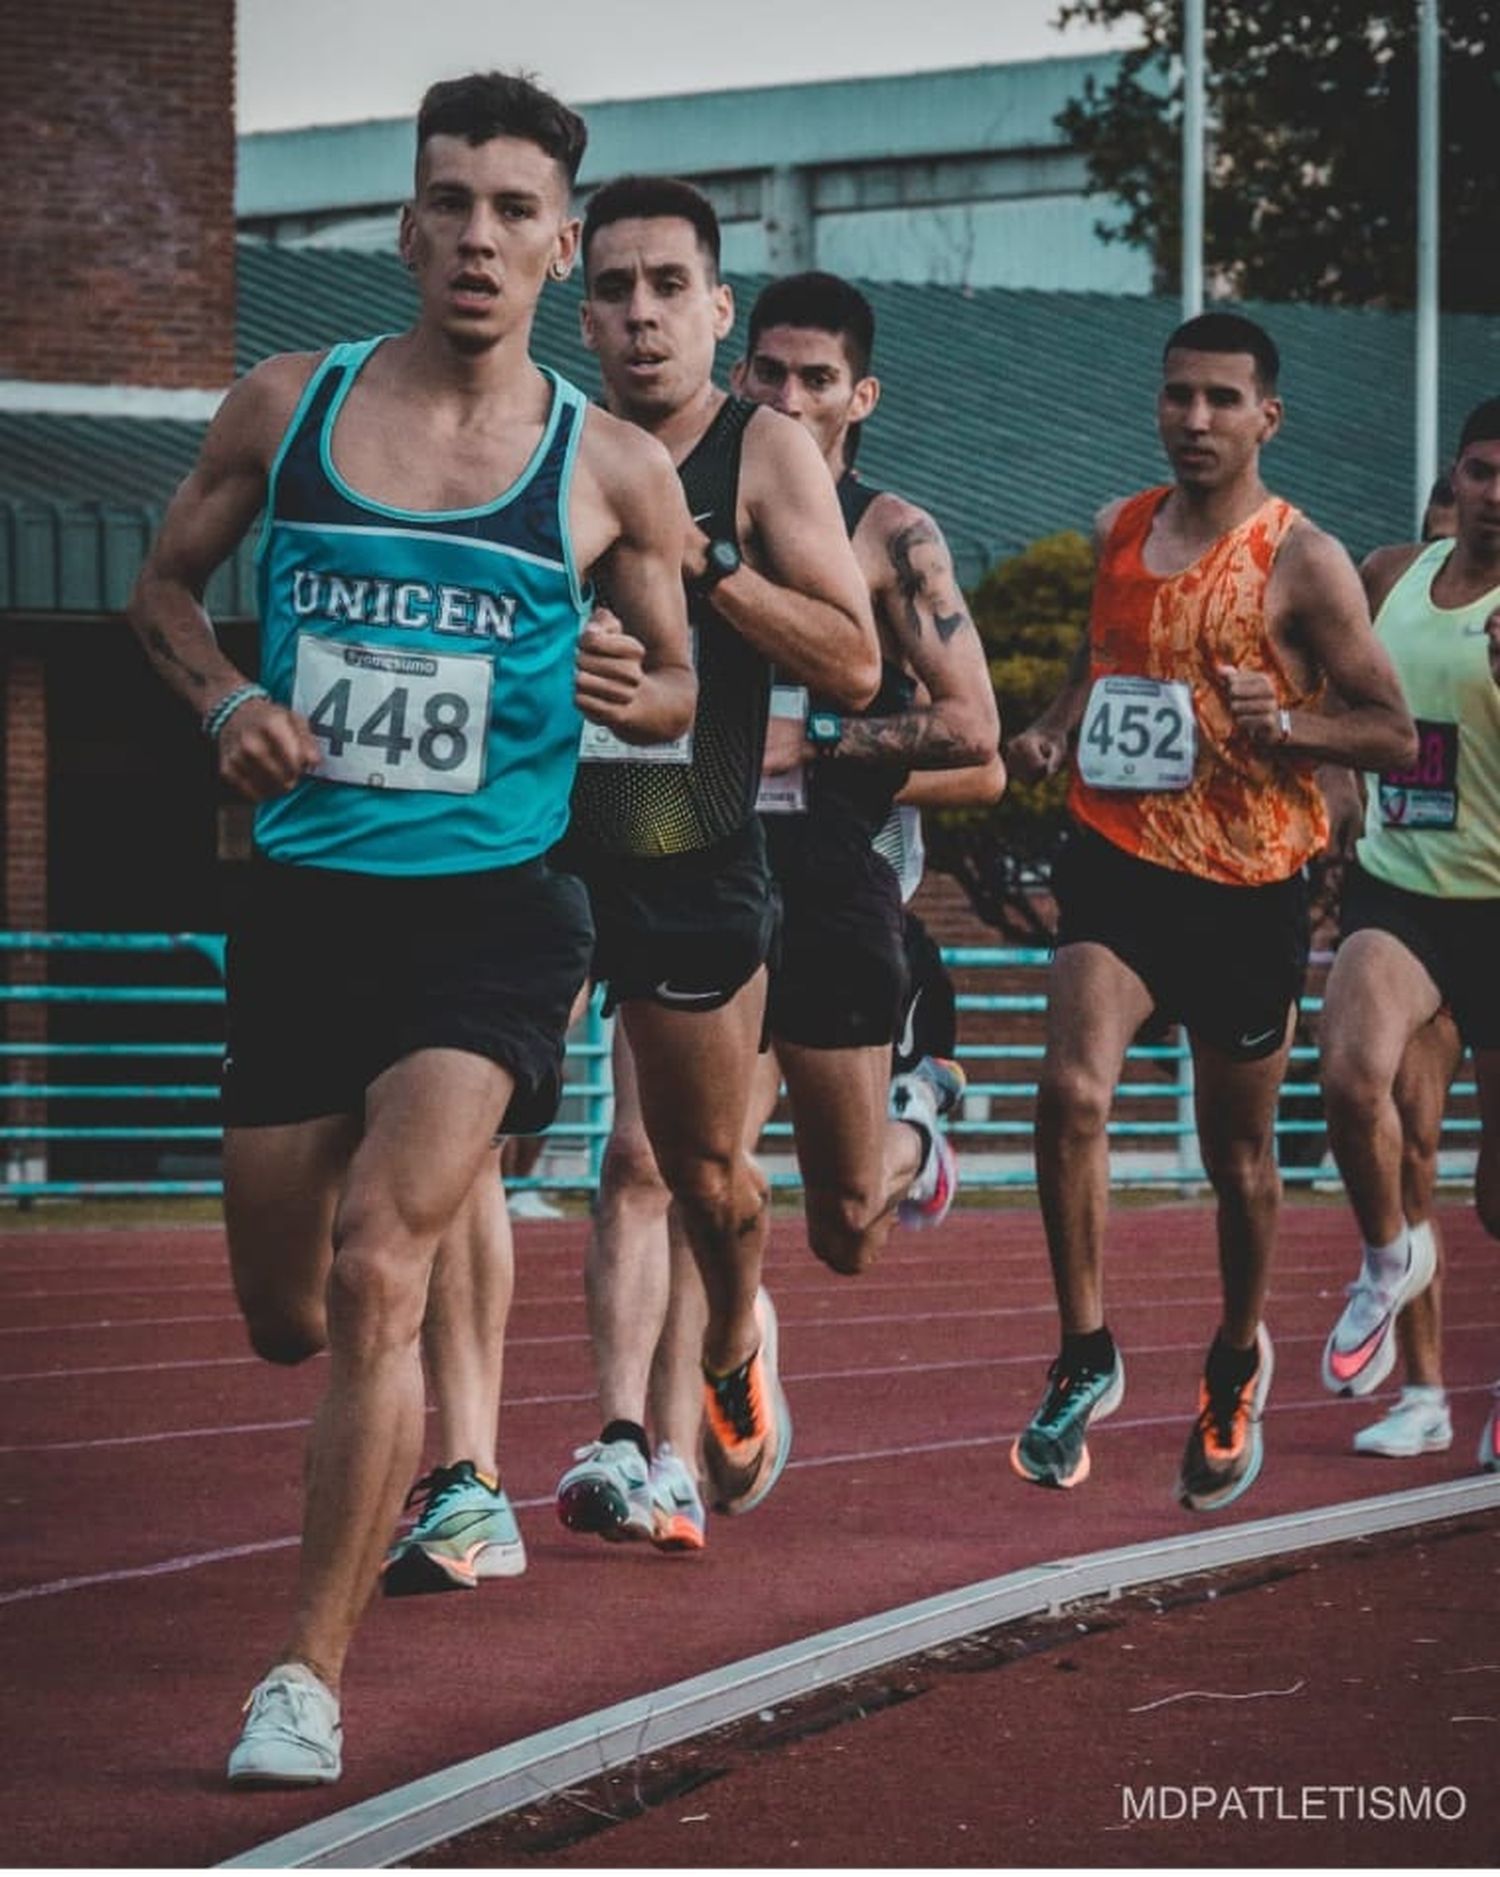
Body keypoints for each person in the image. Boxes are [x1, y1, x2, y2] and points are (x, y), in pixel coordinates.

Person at [126, 73, 698, 1784]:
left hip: (497, 922)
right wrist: (226, 695)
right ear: (404, 220)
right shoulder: (283, 409)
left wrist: (636, 684)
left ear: (560, 243)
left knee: (383, 1267)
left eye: (514, 210)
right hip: (305, 912)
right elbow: (159, 593)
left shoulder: (608, 469)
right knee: (285, 1310)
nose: (476, 235)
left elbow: (673, 682)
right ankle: (376, 1297)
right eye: (449, 199)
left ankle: (303, 1674)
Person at [1006, 311, 1416, 1512]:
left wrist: (1280, 726)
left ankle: (1237, 1353)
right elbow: (1110, 663)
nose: (1194, 418)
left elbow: (1391, 732)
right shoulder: (1118, 527)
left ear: (1265, 417)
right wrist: (1054, 724)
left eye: (1221, 400)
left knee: (1237, 1155)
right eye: (1178, 395)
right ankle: (1085, 1350)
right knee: (1071, 1085)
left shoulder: (1306, 559)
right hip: (1118, 855)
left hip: (1247, 886)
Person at [551, 183, 882, 1548]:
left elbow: (855, 661)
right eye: (617, 286)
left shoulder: (762, 450)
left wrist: (710, 568)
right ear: (583, 305)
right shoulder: (542, 437)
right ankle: (617, 1440)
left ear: (717, 306)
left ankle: (734, 1343)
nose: (640, 312)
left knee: (707, 1178)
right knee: (560, 1153)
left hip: (694, 848)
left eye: (669, 285)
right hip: (547, 852)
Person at [732, 271, 1002, 1269]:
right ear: (738, 373)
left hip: (834, 885)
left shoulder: (893, 535)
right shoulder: (686, 512)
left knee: (846, 1225)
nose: (788, 400)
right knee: (671, 1162)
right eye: (769, 374)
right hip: (706, 867)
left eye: (816, 378)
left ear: (860, 395)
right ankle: (698, 1376)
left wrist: (824, 743)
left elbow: (976, 729)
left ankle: (917, 1144)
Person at [1318, 397, 1500, 1469]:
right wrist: (1339, 779)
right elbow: (1333, 694)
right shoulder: (1389, 575)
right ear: (1457, 478)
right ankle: (1406, 1323)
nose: (1496, 494)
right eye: (1481, 472)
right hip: (1404, 891)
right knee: (1362, 1088)